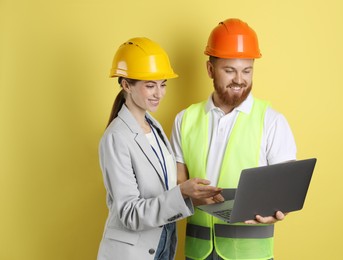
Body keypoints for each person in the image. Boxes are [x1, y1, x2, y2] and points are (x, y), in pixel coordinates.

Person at [170, 18, 297, 259]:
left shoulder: (272, 121)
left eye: (246, 70)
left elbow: (286, 190)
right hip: (198, 253)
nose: (239, 79)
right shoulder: (184, 119)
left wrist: (281, 210)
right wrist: (187, 193)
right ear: (210, 69)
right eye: (229, 70)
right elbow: (176, 183)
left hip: (251, 254)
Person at [97, 37, 221, 260]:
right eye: (150, 85)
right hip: (132, 253)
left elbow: (163, 193)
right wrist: (182, 192)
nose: (159, 93)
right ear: (126, 85)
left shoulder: (154, 127)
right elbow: (129, 214)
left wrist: (194, 198)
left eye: (163, 84)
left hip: (161, 244)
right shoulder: (116, 137)